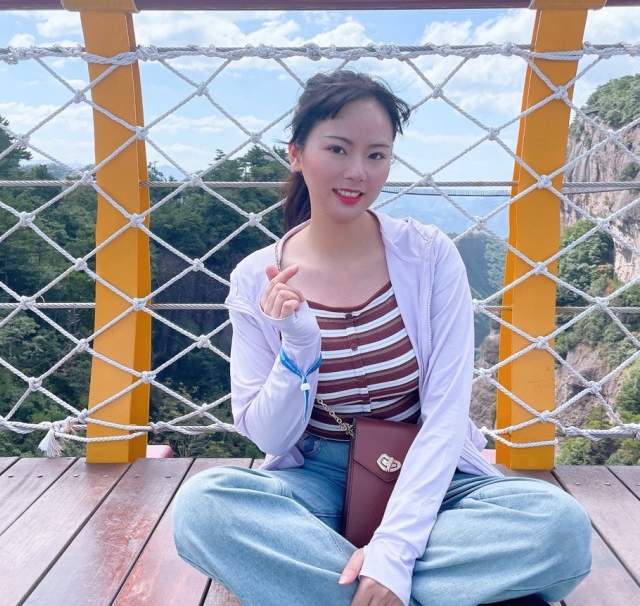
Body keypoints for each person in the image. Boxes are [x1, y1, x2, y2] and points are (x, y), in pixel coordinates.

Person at [172, 70, 592, 606]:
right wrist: (298, 348)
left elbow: (445, 414)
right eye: (337, 149)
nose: (357, 171)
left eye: (376, 155)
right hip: (317, 478)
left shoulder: (428, 255)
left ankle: (351, 581)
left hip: (428, 470)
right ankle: (419, 588)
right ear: (296, 154)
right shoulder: (257, 278)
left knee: (560, 527)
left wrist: (394, 548)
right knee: (205, 507)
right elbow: (270, 438)